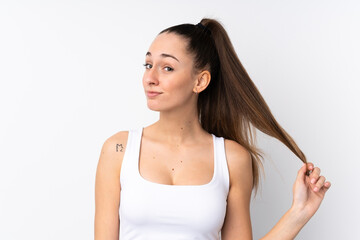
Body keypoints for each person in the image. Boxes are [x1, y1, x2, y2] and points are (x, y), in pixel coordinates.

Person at [94, 18, 331, 240]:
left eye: (167, 68)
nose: (150, 78)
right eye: (148, 65)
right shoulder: (118, 149)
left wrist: (299, 212)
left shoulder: (232, 159)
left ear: (200, 81)